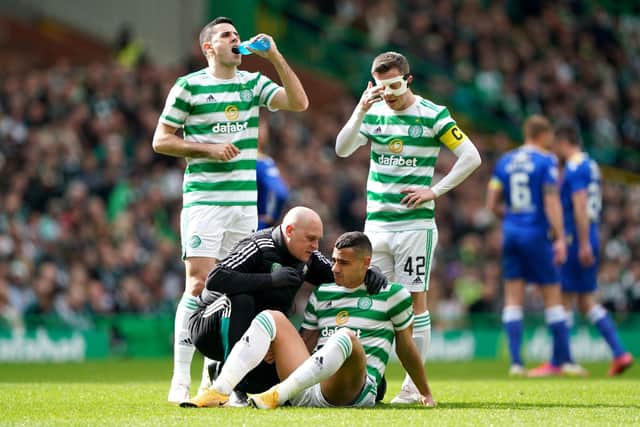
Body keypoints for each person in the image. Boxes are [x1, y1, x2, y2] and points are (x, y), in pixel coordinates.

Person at [152, 16, 309, 403]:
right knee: (199, 285)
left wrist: (275, 57)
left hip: (242, 206)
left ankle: (225, 379)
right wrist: (207, 149)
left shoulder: (252, 84)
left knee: (237, 293)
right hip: (205, 200)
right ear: (209, 48)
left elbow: (299, 102)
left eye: (238, 35)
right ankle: (179, 380)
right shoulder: (189, 86)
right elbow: (161, 140)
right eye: (227, 36)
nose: (236, 40)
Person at [334, 51, 481, 403]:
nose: (390, 93)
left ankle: (414, 388)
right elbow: (341, 149)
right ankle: (369, 381)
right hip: (377, 227)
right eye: (383, 87)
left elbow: (471, 157)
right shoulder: (374, 113)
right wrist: (361, 108)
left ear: (409, 80)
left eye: (396, 85)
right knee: (375, 302)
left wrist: (435, 190)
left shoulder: (433, 114)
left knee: (416, 304)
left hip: (415, 227)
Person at [182, 231, 435, 408]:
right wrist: (275, 347)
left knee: (344, 336)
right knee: (272, 317)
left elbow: (405, 347)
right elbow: (304, 342)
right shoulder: (323, 293)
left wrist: (424, 391)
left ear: (366, 263)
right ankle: (220, 390)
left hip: (350, 388)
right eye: (334, 260)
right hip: (307, 383)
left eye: (344, 263)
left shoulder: (393, 294)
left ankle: (277, 394)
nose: (335, 268)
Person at [184, 207, 387, 402]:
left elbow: (338, 276)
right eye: (310, 239)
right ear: (289, 231)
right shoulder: (258, 245)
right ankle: (235, 388)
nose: (316, 246)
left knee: (282, 383)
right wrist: (271, 280)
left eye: (318, 239)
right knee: (241, 299)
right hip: (208, 325)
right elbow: (215, 278)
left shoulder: (309, 258)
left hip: (260, 337)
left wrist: (369, 271)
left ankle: (222, 371)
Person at [486, 115, 584, 377]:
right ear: (543, 135)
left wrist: (512, 218)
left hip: (511, 234)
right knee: (553, 296)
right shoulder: (546, 161)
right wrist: (561, 237)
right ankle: (564, 361)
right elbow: (551, 201)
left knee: (513, 299)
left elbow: (492, 202)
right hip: (537, 235)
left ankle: (516, 363)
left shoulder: (505, 161)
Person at [553, 123, 633, 376]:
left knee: (564, 297)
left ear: (564, 142)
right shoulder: (591, 164)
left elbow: (580, 205)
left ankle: (562, 361)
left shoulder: (575, 167)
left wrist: (583, 242)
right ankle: (620, 353)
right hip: (590, 234)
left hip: (577, 237)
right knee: (587, 302)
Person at [256, 152, 289, 230]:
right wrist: (274, 216)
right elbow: (281, 193)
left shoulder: (234, 160)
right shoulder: (263, 162)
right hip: (258, 224)